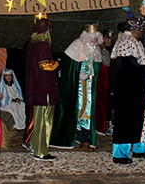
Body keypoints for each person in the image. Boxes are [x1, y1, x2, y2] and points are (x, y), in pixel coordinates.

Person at [110, 16, 145, 164]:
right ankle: (120, 154)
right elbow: (126, 68)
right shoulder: (125, 41)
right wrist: (144, 68)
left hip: (139, 88)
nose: (144, 33)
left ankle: (139, 148)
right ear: (136, 29)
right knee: (126, 120)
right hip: (128, 91)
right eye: (143, 30)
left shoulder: (134, 41)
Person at [51, 25, 104, 151]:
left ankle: (84, 138)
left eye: (96, 38)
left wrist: (92, 74)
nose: (94, 41)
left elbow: (96, 67)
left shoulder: (95, 49)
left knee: (87, 113)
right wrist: (77, 75)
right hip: (76, 87)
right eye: (92, 38)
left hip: (89, 87)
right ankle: (71, 136)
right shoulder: (76, 46)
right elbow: (68, 67)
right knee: (75, 111)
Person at [23, 17, 59, 161]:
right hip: (44, 88)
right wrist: (56, 63)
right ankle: (41, 151)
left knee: (38, 119)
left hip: (35, 87)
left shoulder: (31, 44)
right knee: (44, 120)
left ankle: (35, 145)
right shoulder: (43, 45)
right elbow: (44, 65)